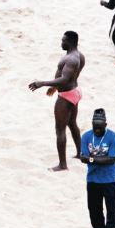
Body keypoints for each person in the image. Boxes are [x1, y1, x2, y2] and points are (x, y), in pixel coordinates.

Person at [28, 31, 85, 171]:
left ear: (70, 42)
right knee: (72, 124)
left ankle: (62, 165)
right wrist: (54, 86)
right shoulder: (80, 55)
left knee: (60, 130)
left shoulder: (71, 59)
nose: (61, 42)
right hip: (75, 92)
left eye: (63, 40)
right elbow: (72, 77)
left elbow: (65, 78)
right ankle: (80, 154)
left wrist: (43, 83)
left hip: (66, 96)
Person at [79, 108, 115, 228]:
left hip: (109, 179)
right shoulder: (86, 136)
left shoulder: (113, 137)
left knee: (111, 209)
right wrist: (99, 159)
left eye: (100, 127)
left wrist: (91, 159)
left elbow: (112, 159)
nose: (97, 130)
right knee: (94, 208)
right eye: (94, 127)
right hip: (92, 179)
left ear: (105, 125)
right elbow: (82, 158)